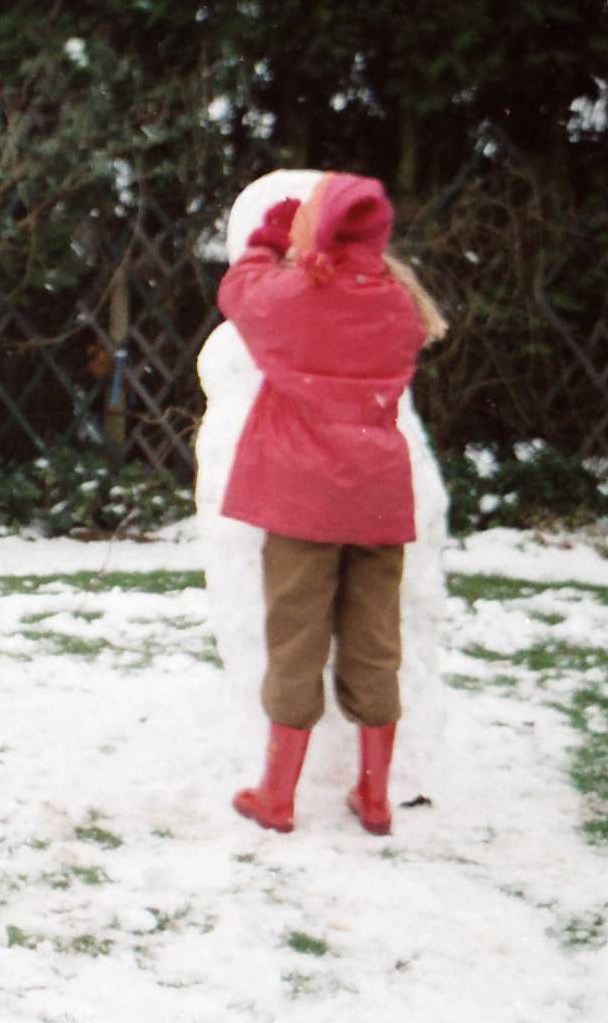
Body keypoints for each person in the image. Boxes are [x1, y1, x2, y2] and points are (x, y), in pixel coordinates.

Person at [217, 172, 444, 836]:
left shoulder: (296, 294)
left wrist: (266, 238)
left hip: (302, 500)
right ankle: (374, 797)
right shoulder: (397, 300)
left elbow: (238, 294)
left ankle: (278, 795)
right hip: (377, 497)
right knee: (376, 645)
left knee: (296, 642)